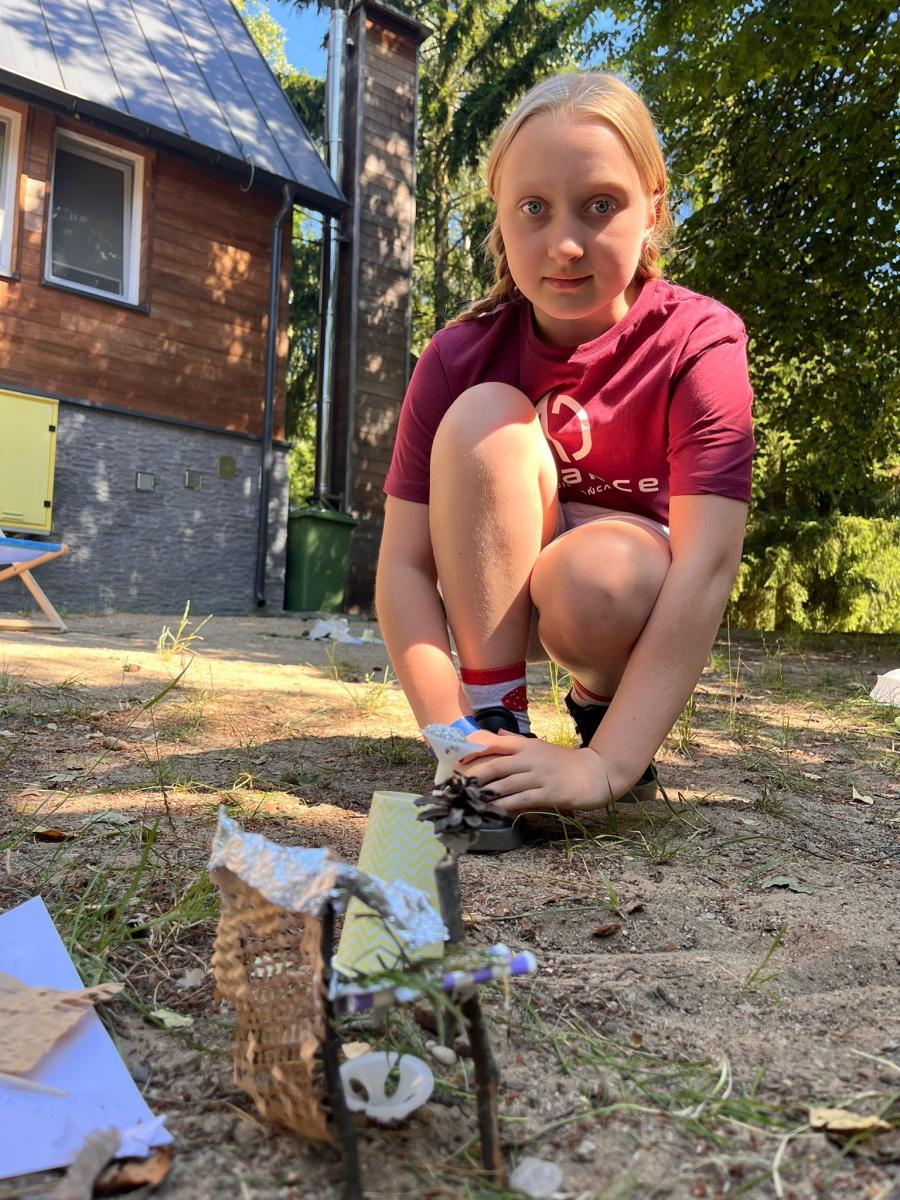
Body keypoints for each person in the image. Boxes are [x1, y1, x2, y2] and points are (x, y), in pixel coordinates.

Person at [376, 72, 754, 824]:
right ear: (501, 214)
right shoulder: (455, 357)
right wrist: (455, 739)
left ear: (652, 209)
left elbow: (708, 563)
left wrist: (608, 765)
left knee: (602, 575)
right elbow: (404, 567)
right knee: (486, 414)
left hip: (619, 603)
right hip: (493, 597)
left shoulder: (699, 340)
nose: (566, 244)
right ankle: (497, 724)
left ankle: (601, 709)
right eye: (534, 208)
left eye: (601, 205)